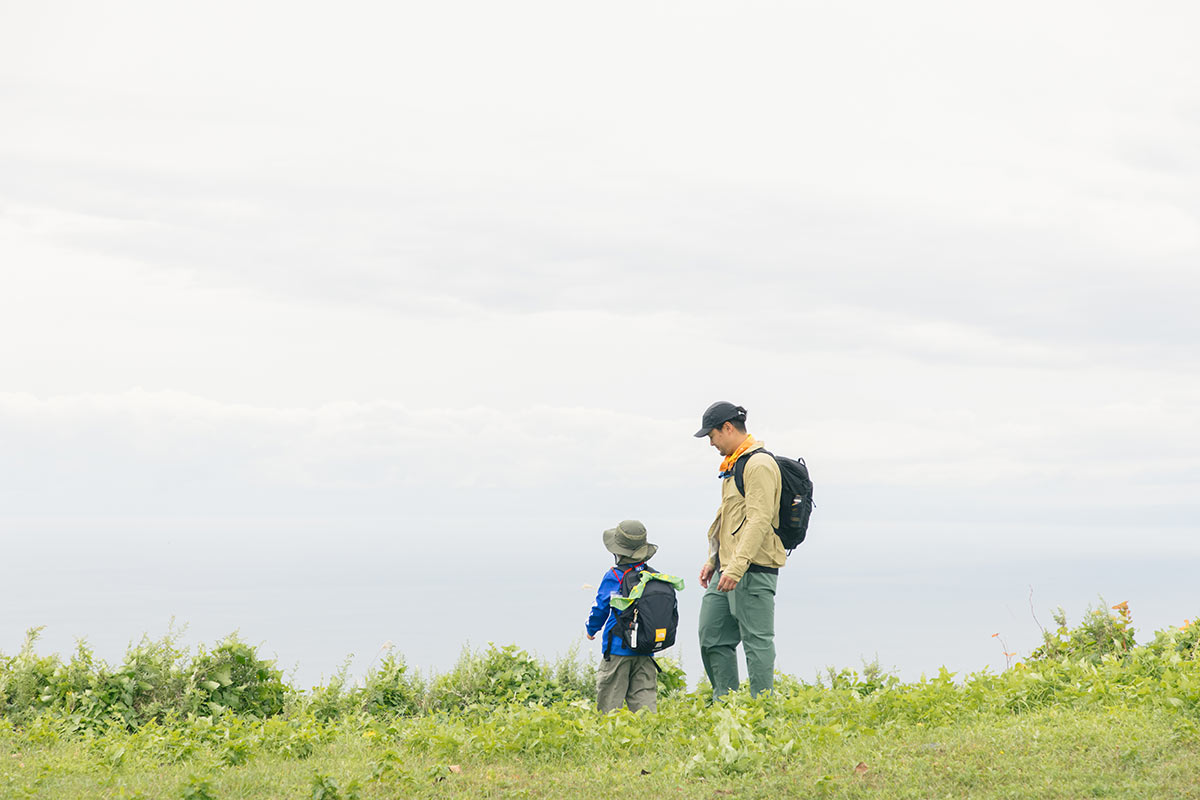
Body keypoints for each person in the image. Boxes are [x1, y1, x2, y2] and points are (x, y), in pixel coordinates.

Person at [693, 401, 785, 699]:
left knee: (757, 642)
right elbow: (728, 517)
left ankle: (762, 709)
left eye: (712, 435)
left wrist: (735, 567)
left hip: (752, 568)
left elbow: (759, 520)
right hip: (727, 567)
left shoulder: (759, 464)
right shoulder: (734, 465)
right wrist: (714, 559)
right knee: (711, 635)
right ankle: (726, 704)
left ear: (728, 428)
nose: (711, 442)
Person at [584, 519, 661, 713]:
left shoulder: (615, 576)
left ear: (617, 552)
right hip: (645, 648)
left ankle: (610, 730)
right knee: (644, 698)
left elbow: (600, 607)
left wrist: (591, 629)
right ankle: (650, 729)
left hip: (618, 648)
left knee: (610, 700)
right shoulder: (652, 575)